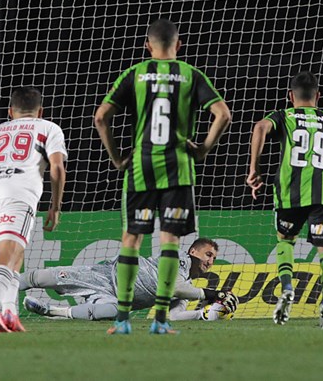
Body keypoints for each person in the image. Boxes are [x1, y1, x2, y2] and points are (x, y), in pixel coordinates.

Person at [93, 18, 232, 335]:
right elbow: (223, 113)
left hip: (141, 168)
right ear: (178, 46)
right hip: (178, 169)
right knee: (170, 243)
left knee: (131, 242)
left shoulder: (135, 74)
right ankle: (160, 321)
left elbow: (101, 117)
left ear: (148, 46)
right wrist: (203, 150)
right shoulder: (189, 74)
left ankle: (123, 319)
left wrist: (117, 158)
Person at [247, 71, 323, 329]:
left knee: (286, 241)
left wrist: (253, 170)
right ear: (318, 96)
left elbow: (259, 127)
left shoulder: (284, 116)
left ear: (291, 96)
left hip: (289, 193)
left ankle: (288, 287)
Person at [0, 87, 67, 333]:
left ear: (10, 112)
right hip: (17, 193)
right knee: (10, 251)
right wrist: (55, 206)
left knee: (16, 254)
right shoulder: (48, 128)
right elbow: (57, 168)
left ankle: (10, 312)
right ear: (40, 111)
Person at [0, 237, 238, 321]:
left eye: (213, 258)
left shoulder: (187, 287)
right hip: (107, 274)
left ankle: (51, 311)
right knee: (46, 277)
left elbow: (172, 316)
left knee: (113, 311)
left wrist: (205, 315)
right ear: (193, 252)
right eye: (208, 254)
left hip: (117, 296)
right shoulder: (178, 259)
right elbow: (170, 286)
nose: (210, 261)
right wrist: (210, 295)